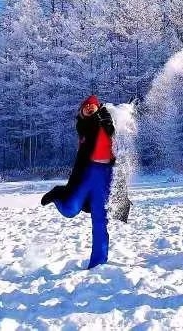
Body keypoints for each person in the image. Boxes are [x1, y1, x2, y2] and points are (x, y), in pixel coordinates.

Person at [41, 95, 115, 268]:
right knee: (69, 209)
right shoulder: (83, 126)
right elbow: (88, 128)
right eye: (86, 106)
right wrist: (97, 113)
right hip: (85, 176)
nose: (89, 107)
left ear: (99, 107)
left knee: (100, 221)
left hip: (103, 177)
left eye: (92, 106)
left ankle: (98, 263)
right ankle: (58, 192)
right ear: (81, 111)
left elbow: (108, 132)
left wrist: (102, 114)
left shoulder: (104, 120)